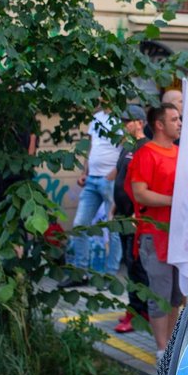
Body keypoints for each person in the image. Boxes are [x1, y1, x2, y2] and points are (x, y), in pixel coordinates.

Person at [127, 104, 187, 358]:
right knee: (159, 293)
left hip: (179, 233)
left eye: (180, 119)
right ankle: (162, 350)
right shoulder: (146, 154)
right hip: (155, 233)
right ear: (159, 125)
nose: (180, 123)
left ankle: (171, 346)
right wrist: (172, 200)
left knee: (176, 294)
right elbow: (140, 192)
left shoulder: (180, 153)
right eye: (174, 119)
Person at [66, 108, 123, 286]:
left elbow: (127, 149)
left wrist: (114, 173)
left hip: (110, 180)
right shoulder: (96, 117)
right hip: (92, 179)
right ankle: (80, 273)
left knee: (113, 229)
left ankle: (110, 275)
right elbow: (91, 147)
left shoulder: (121, 117)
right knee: (79, 226)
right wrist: (84, 172)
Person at [112, 105, 150, 334]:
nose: (123, 124)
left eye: (127, 120)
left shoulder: (145, 148)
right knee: (129, 264)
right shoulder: (126, 146)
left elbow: (145, 183)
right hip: (122, 215)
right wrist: (114, 207)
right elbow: (122, 179)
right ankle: (137, 308)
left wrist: (138, 214)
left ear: (140, 122)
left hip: (136, 219)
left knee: (136, 266)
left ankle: (138, 311)